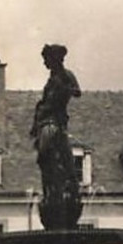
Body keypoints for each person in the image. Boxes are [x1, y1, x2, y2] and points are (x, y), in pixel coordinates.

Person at [29, 43, 84, 229]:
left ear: (55, 59)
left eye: (46, 59)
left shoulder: (65, 75)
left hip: (54, 124)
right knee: (46, 160)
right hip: (46, 122)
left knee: (54, 156)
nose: (45, 63)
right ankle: (53, 190)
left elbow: (77, 92)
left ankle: (62, 190)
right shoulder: (53, 78)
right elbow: (45, 102)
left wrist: (63, 91)